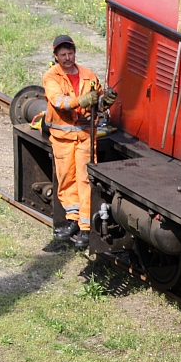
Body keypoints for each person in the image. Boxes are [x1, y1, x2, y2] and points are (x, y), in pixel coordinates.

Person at [42, 35, 116, 248]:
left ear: (75, 53)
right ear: (56, 56)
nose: (67, 58)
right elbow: (59, 102)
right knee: (67, 179)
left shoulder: (88, 75)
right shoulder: (51, 77)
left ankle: (85, 227)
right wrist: (81, 100)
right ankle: (72, 220)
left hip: (84, 136)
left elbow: (97, 103)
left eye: (70, 53)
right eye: (63, 54)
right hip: (63, 139)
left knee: (85, 180)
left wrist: (105, 102)